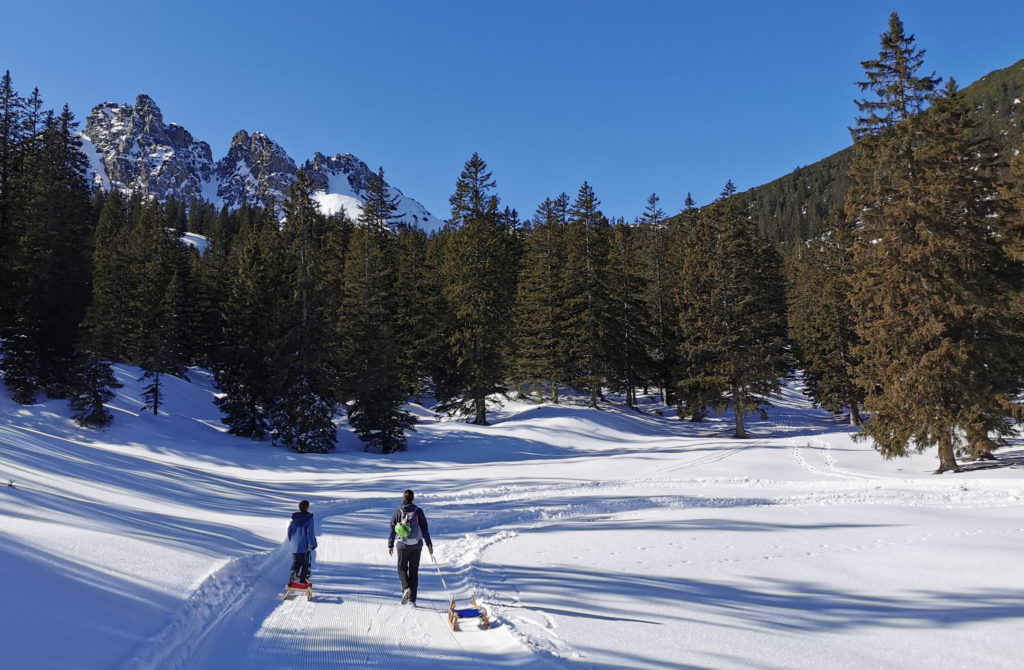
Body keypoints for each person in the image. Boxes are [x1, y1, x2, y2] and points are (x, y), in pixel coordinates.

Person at [387, 489, 433, 605]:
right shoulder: (419, 511)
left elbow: (393, 528)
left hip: (402, 545)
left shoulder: (398, 512)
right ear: (413, 499)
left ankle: (406, 588)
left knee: (401, 568)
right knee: (413, 571)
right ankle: (412, 600)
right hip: (416, 545)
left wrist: (390, 544)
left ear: (403, 498)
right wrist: (429, 544)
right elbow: (424, 528)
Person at [287, 500, 317, 584]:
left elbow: (289, 531)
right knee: (305, 563)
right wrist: (313, 544)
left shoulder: (295, 518)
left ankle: (293, 573)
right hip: (304, 546)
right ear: (307, 508)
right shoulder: (309, 518)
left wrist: (292, 541)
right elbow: (310, 533)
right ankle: (303, 580)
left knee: (296, 562)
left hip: (294, 545)